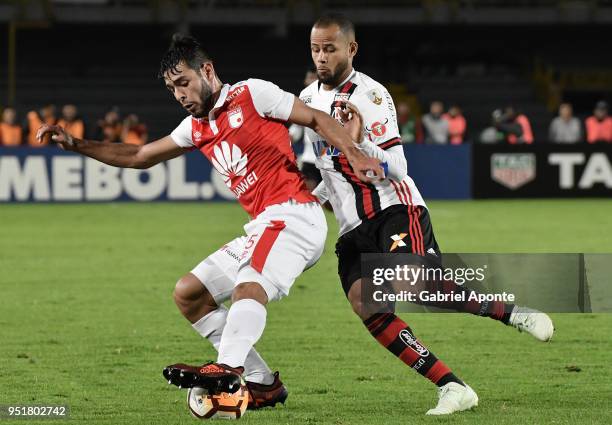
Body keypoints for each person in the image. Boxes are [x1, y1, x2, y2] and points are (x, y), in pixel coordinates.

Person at [37, 34, 382, 410]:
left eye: (183, 82)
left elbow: (315, 117)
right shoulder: (194, 127)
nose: (180, 94)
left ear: (207, 70)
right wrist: (77, 144)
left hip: (294, 215)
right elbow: (139, 154)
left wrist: (356, 153)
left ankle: (228, 368)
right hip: (264, 225)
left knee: (248, 285)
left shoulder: (253, 94)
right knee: (189, 294)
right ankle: (262, 383)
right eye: (172, 88)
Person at [301, 14, 554, 416]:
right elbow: (328, 168)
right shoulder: (309, 101)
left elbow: (398, 166)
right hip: (351, 227)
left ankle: (511, 312)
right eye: (315, 48)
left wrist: (362, 140)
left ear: (351, 49)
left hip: (395, 210)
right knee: (366, 304)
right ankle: (452, 387)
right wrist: (309, 201)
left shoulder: (371, 96)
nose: (321, 57)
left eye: (329, 48)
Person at [288, 67, 321, 190]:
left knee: (331, 202)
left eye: (313, 77)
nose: (310, 81)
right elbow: (296, 129)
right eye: (309, 78)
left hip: (329, 159)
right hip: (309, 158)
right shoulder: (302, 101)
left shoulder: (331, 100)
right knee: (309, 196)